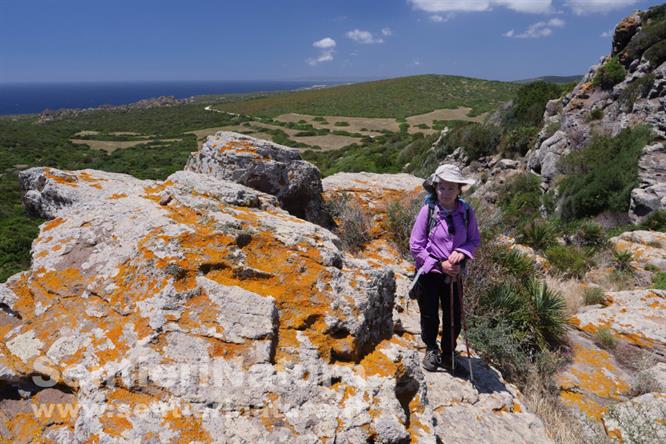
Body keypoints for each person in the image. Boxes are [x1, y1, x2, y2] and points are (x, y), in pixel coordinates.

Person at [409, 164, 480, 374]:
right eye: (441, 188)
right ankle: (431, 349)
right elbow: (415, 245)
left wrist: (462, 252)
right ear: (435, 188)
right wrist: (440, 264)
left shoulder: (466, 212)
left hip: (454, 275)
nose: (445, 193)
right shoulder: (428, 211)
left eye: (451, 188)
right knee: (429, 313)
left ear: (459, 190)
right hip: (430, 273)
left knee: (454, 317)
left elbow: (474, 240)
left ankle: (449, 353)